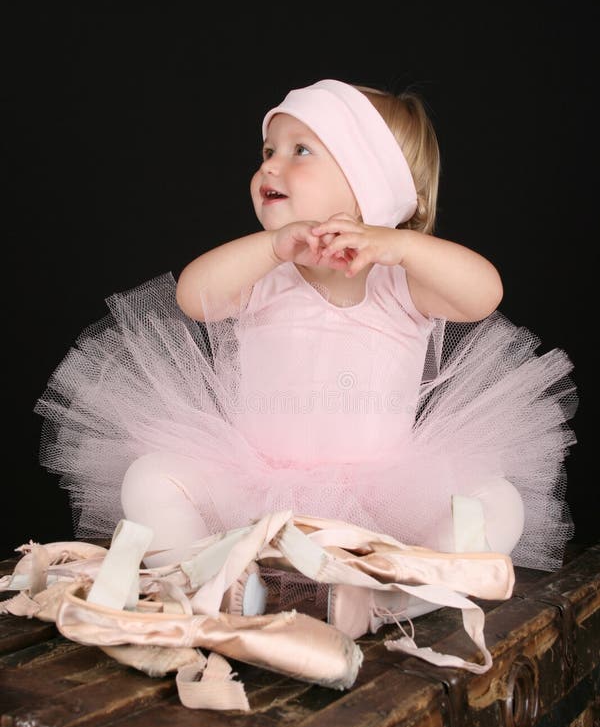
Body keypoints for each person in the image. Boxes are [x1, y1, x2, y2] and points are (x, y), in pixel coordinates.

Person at [36, 79, 577, 575]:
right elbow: (194, 297)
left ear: (368, 181)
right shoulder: (264, 273)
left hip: (386, 501)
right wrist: (273, 247)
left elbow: (484, 294)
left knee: (496, 500)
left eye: (300, 151)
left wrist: (401, 245)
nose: (270, 166)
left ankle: (395, 588)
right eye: (268, 151)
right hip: (253, 491)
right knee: (150, 478)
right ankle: (213, 580)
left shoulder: (400, 282)